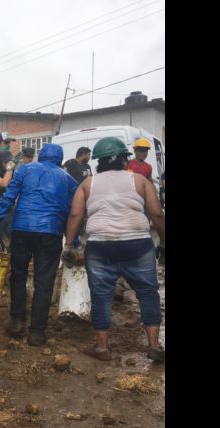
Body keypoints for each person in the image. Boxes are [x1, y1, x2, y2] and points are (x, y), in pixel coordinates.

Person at [62, 136, 165, 362]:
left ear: (98, 161)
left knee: (101, 296)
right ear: (124, 159)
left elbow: (76, 215)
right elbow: (157, 214)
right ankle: (154, 345)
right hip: (138, 244)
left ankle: (102, 348)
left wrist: (69, 245)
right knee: (147, 293)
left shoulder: (88, 183)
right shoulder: (140, 180)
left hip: (100, 246)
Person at [0, 143, 78, 346]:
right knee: (44, 282)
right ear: (59, 158)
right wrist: (74, 241)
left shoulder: (24, 170)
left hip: (22, 229)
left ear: (41, 155)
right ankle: (37, 332)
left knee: (18, 275)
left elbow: (9, 197)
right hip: (51, 232)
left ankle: (17, 321)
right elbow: (74, 211)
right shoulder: (68, 179)